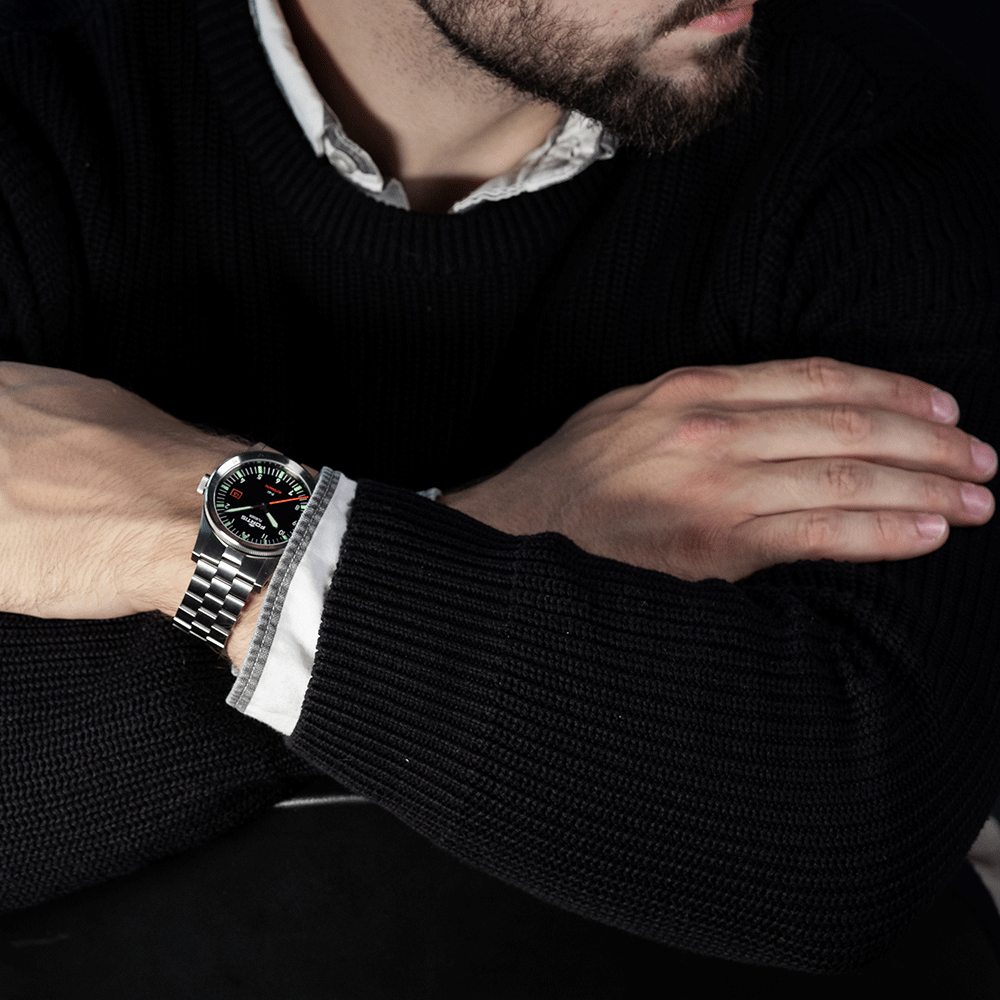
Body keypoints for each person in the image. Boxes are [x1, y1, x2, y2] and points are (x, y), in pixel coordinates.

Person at [0, 0, 998, 981]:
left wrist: (199, 532)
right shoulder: (34, 109)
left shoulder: (875, 136)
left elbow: (852, 831)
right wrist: (507, 531)